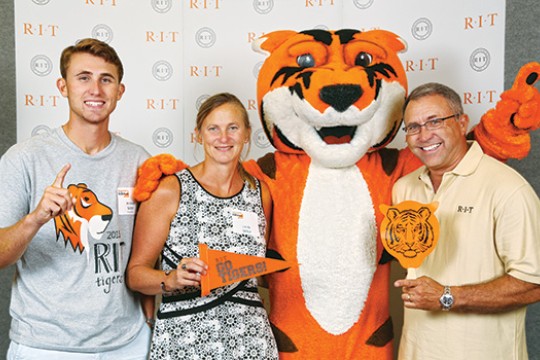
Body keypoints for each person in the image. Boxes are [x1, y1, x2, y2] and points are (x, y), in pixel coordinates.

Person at [0, 38, 152, 359]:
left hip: (127, 343)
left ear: (119, 91)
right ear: (63, 85)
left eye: (106, 79)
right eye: (83, 78)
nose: (95, 89)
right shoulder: (24, 158)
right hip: (45, 345)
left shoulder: (139, 160)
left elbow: (149, 250)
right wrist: (35, 219)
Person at [393, 82, 540, 359]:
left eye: (434, 121)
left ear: (462, 123)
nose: (424, 135)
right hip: (415, 351)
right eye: (413, 127)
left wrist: (447, 296)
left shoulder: (508, 188)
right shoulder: (404, 188)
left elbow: (533, 283)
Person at [126, 92, 279, 359]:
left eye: (233, 128)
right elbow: (135, 275)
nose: (223, 138)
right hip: (186, 340)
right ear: (198, 135)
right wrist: (170, 280)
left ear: (246, 134)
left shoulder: (259, 192)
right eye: (213, 129)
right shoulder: (171, 189)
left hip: (251, 340)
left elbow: (261, 272)